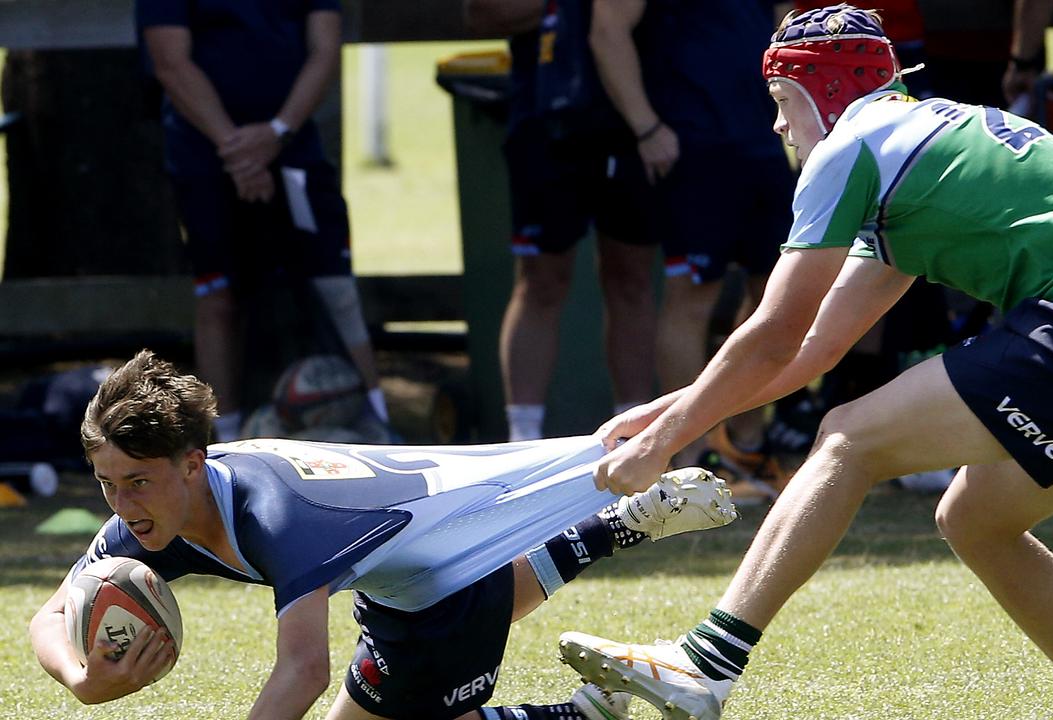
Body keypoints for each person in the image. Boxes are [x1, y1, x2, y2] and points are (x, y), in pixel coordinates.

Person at [559, 5, 1053, 720]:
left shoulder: (851, 146)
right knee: (973, 520)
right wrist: (672, 409)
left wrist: (663, 442)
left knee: (847, 436)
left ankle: (707, 664)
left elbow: (775, 329)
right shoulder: (914, 143)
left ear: (821, 90)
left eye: (780, 102)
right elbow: (814, 349)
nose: (777, 126)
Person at [28, 350, 738, 720]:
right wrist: (82, 681)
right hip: (415, 574)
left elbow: (302, 671)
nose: (122, 504)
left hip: (444, 563)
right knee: (429, 625)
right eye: (107, 484)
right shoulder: (151, 514)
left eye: (137, 482)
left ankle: (588, 706)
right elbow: (50, 614)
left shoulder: (276, 517)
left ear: (192, 465)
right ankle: (615, 528)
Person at [137, 0, 388, 441]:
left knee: (335, 288)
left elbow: (325, 48)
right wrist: (235, 150)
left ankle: (378, 427)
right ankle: (227, 442)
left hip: (294, 150)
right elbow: (169, 60)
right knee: (221, 296)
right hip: (206, 157)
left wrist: (276, 132)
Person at [588, 0, 797, 499]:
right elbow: (607, 29)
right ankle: (690, 453)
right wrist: (646, 126)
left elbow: (787, 20)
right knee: (692, 296)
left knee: (779, 293)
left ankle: (746, 443)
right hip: (692, 140)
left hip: (761, 140)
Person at [463, 0, 660, 443]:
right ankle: (522, 440)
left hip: (633, 121)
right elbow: (480, 13)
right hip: (544, 123)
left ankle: (633, 436)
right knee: (540, 280)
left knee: (631, 277)